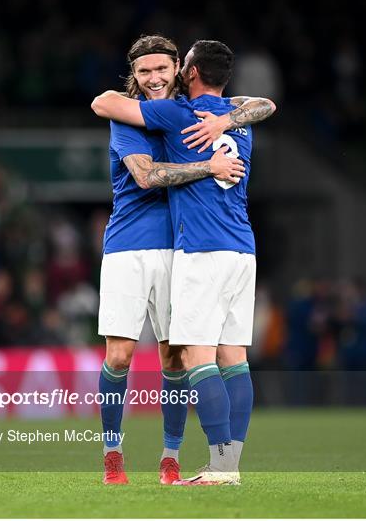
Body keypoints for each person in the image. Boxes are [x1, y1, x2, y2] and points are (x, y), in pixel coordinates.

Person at [92, 36, 276, 486]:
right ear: (133, 76)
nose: (153, 78)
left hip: (184, 249)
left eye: (161, 69)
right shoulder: (133, 118)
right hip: (128, 247)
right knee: (119, 357)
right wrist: (209, 164)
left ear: (181, 68)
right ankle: (113, 452)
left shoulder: (196, 112)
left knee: (177, 360)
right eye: (143, 71)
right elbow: (145, 175)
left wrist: (225, 120)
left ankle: (172, 457)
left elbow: (263, 103)